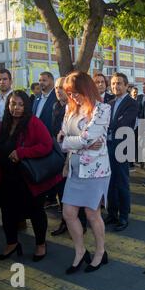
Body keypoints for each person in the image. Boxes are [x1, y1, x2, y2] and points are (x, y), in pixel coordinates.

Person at [0, 90, 62, 261]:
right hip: (8, 178)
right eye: (13, 103)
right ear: (8, 105)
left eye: (21, 104)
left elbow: (46, 146)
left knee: (36, 212)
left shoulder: (33, 123)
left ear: (26, 106)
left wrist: (22, 152)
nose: (16, 108)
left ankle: (41, 244)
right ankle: (12, 243)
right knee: (7, 213)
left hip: (28, 180)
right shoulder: (3, 125)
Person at [59, 71, 111, 274]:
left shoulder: (103, 109)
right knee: (68, 213)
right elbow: (62, 136)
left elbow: (86, 139)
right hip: (74, 169)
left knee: (92, 214)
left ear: (86, 88)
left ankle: (100, 252)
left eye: (75, 92)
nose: (73, 97)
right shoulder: (69, 109)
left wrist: (70, 142)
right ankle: (80, 252)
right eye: (69, 93)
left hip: (96, 171)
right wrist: (75, 142)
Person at [50, 77, 88, 237]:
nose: (58, 91)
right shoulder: (55, 106)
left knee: (77, 192)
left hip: (75, 156)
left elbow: (81, 137)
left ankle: (81, 224)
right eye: (57, 88)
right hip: (58, 154)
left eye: (61, 88)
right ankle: (66, 222)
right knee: (62, 191)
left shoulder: (79, 109)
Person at [104, 73, 139, 231]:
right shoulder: (109, 103)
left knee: (122, 183)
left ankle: (124, 216)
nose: (115, 86)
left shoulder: (132, 103)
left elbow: (124, 123)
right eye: (113, 83)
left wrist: (108, 127)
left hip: (122, 147)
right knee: (109, 182)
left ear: (126, 86)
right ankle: (112, 213)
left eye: (119, 83)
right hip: (108, 146)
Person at [33, 72, 58, 209]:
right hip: (37, 141)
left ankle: (52, 197)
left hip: (51, 139)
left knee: (52, 170)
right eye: (40, 80)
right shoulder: (37, 98)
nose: (41, 83)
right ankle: (46, 195)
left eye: (44, 80)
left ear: (52, 81)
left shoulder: (56, 97)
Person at [0, 69, 13, 142]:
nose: (2, 82)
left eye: (5, 79)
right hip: (0, 141)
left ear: (10, 81)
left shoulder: (16, 98)